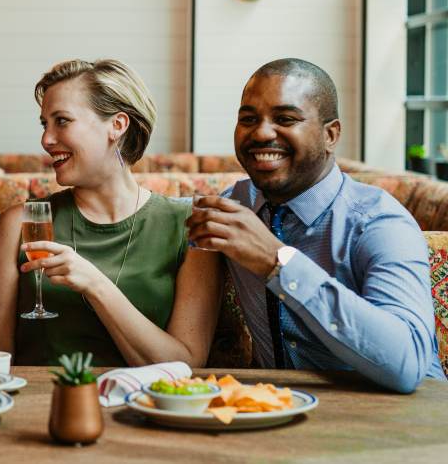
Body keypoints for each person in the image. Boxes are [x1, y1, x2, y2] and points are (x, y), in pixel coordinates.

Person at [187, 58, 444, 392]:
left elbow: (407, 365)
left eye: (286, 119)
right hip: (285, 419)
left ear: (330, 135)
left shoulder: (378, 222)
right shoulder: (233, 208)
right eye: (248, 119)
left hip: (405, 422)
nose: (262, 132)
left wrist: (276, 262)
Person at [0, 59, 221, 366]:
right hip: (43, 407)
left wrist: (95, 284)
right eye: (44, 124)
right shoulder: (20, 223)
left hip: (144, 407)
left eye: (62, 121)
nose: (46, 140)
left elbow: (185, 365)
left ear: (117, 125)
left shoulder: (191, 227)